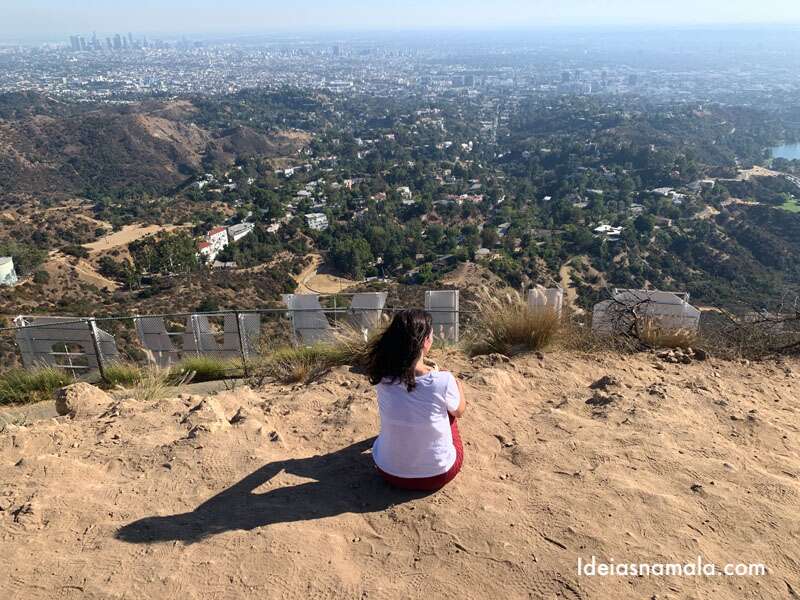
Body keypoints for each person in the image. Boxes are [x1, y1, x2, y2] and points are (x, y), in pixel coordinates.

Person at [365, 309, 466, 491]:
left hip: (388, 472)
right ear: (426, 342)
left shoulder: (382, 377)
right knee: (450, 413)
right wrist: (459, 387)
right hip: (438, 474)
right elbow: (459, 411)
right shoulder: (443, 380)